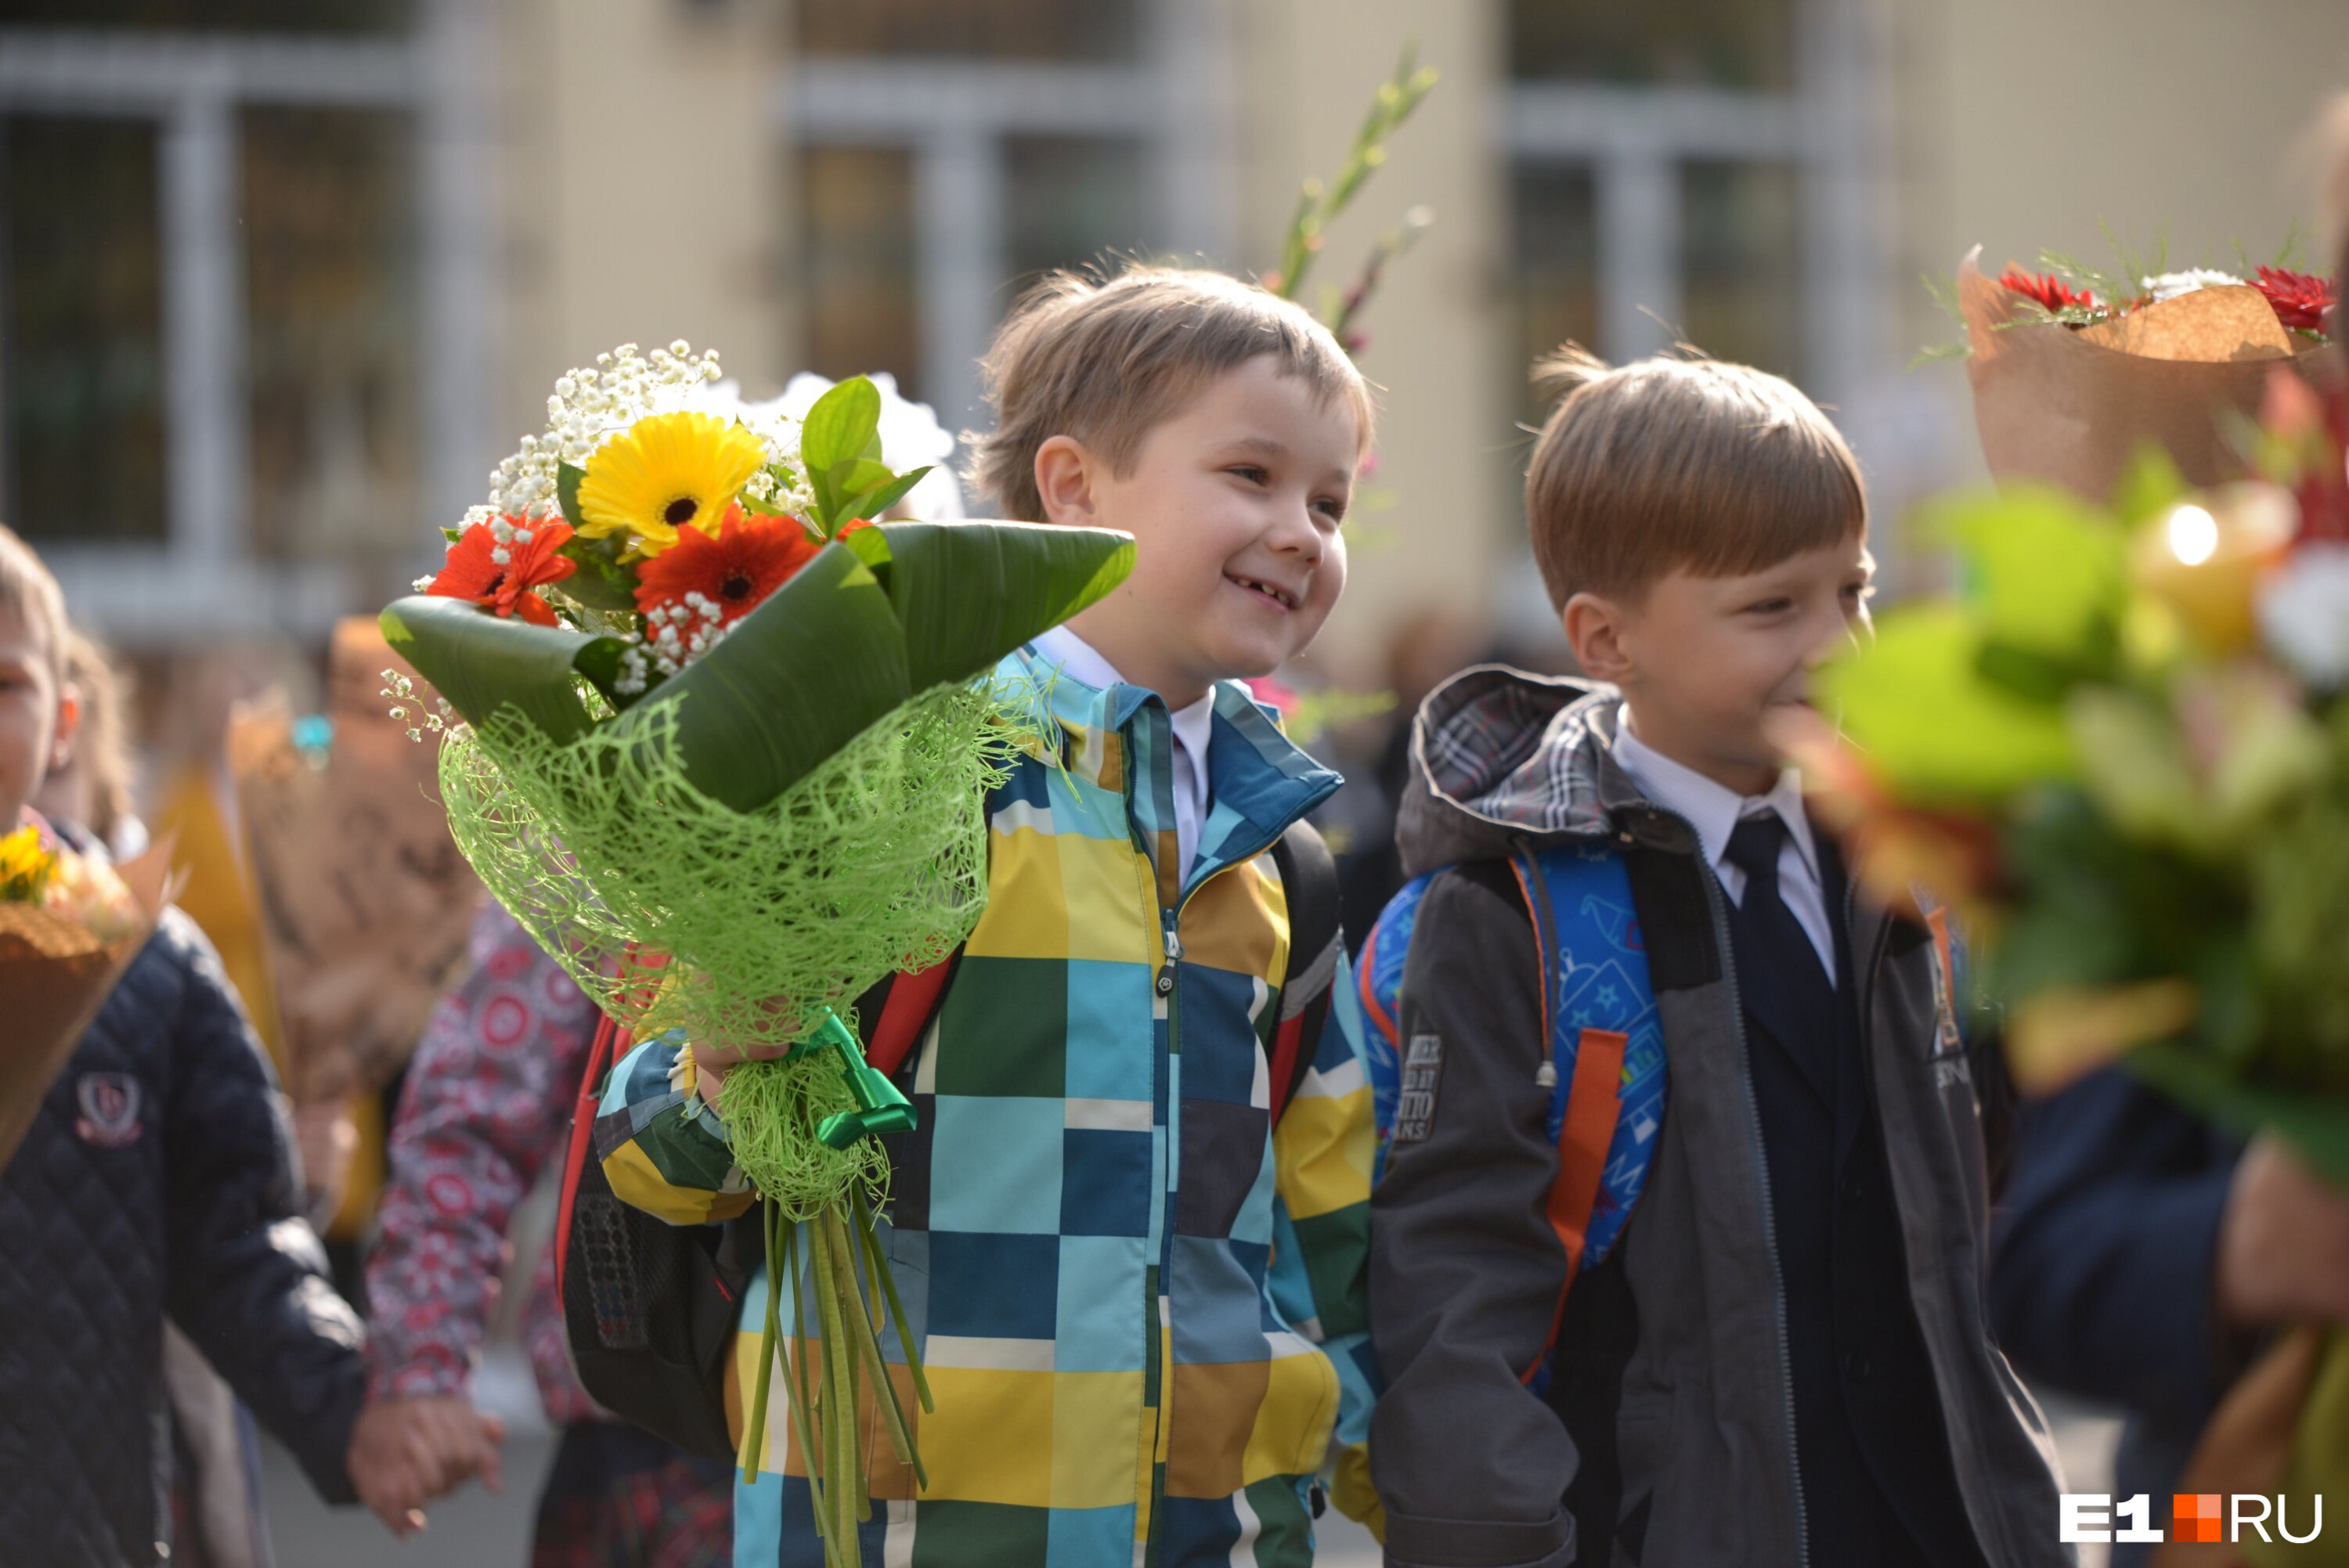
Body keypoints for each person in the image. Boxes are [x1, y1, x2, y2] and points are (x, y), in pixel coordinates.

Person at [598, 265, 1380, 1565]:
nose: (1302, 528)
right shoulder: (905, 778)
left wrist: (1352, 1454)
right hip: (909, 1531)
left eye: (1330, 499)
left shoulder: (1282, 860)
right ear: (1072, 488)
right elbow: (653, 1153)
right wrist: (726, 1074)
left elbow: (1333, 1223)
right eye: (1252, 476)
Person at [1365, 350, 2066, 1568]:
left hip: (1946, 1519)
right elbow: (1458, 1274)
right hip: (1677, 1524)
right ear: (1606, 638)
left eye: (1855, 590)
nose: (1839, 644)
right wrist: (1493, 1539)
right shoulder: (1508, 907)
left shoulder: (1913, 847)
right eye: (1771, 608)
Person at [0, 524, 467, 1563]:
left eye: (5, 685)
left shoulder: (140, 961)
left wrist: (356, 1416)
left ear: (64, 721)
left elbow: (240, 1239)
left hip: (79, 1525)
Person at [354, 897, 734, 1563]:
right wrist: (421, 1360)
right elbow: (472, 1121)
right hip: (635, 1411)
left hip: (836, 1423)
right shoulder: (602, 849)